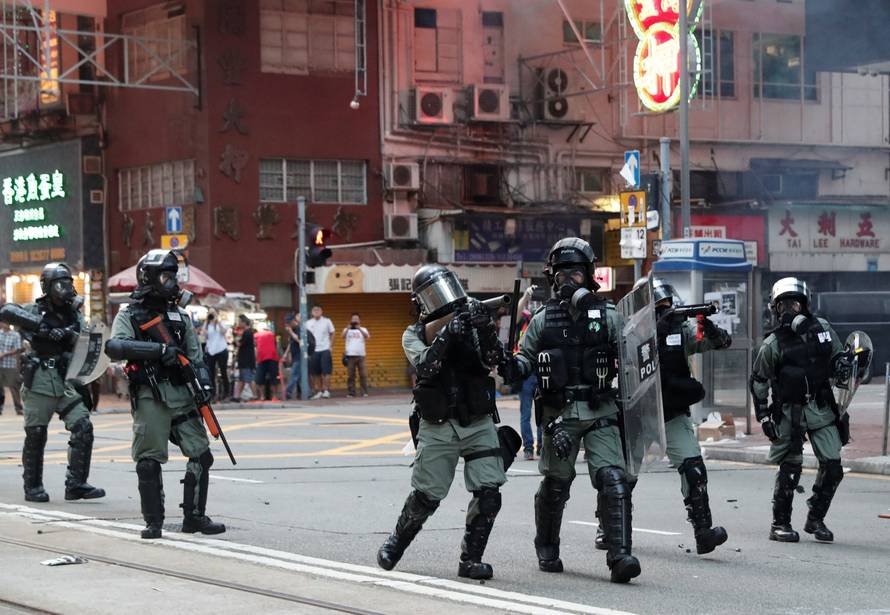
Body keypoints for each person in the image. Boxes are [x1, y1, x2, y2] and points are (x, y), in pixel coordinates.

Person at [499, 238, 639, 584]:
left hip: (600, 409)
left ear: (590, 275)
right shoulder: (543, 321)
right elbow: (524, 360)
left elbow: (634, 359)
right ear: (552, 278)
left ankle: (620, 555)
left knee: (613, 479)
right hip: (558, 417)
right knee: (556, 485)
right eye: (562, 275)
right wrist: (509, 366)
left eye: (576, 273)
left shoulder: (608, 317)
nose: (569, 281)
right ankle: (546, 543)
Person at [377, 264, 518, 580]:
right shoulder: (413, 334)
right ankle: (396, 544)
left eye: (447, 289)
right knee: (426, 496)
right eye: (433, 293)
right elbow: (425, 368)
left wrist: (482, 328)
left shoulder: (472, 322)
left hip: (478, 421)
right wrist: (446, 335)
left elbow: (495, 361)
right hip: (438, 423)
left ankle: (470, 560)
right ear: (421, 303)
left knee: (489, 491)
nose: (444, 299)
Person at [104, 249, 225, 539]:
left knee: (201, 455)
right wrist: (159, 351)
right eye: (165, 276)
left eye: (173, 276)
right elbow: (116, 347)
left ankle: (194, 517)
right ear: (148, 277)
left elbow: (196, 356)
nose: (170, 282)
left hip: (183, 393)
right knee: (148, 460)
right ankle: (153, 521)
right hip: (151, 394)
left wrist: (205, 385)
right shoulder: (130, 314)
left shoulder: (180, 315)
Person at [751, 277, 848, 543]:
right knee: (790, 468)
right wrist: (763, 415)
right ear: (775, 308)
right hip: (790, 413)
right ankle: (779, 524)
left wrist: (848, 364)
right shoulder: (773, 343)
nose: (790, 310)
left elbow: (839, 357)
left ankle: (815, 518)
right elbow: (759, 380)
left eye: (795, 303)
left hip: (820, 407)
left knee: (833, 466)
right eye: (784, 305)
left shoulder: (824, 329)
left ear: (805, 305)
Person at [0, 263, 105, 502]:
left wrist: (69, 334)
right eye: (60, 283)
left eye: (68, 283)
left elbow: (86, 341)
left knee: (83, 427)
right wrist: (43, 328)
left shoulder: (74, 314)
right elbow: (6, 311)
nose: (66, 288)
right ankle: (33, 486)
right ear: (48, 286)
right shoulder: (35, 310)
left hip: (65, 379)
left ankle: (76, 484)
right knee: (36, 434)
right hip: (39, 380)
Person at [650, 277, 732, 554]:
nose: (664, 311)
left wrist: (709, 329)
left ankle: (703, 532)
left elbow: (718, 342)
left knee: (694, 469)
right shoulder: (629, 332)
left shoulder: (680, 329)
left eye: (668, 306)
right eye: (658, 306)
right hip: (636, 416)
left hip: (672, 412)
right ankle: (609, 530)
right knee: (618, 478)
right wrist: (651, 334)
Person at [516, 285, 542, 460]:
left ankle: (541, 446)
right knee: (526, 413)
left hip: (541, 371)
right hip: (525, 372)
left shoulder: (544, 319)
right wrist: (525, 295)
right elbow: (517, 311)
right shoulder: (524, 319)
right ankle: (528, 448)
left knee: (542, 412)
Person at [282, 313, 315, 400]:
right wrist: (286, 353)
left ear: (293, 321)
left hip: (301, 356)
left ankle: (287, 392)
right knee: (300, 376)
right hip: (296, 356)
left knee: (294, 375)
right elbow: (291, 343)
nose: (287, 325)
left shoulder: (300, 329)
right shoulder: (293, 330)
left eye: (288, 323)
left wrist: (291, 332)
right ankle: (308, 393)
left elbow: (300, 341)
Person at [305, 305, 335, 399]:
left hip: (325, 349)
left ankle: (326, 390)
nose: (316, 311)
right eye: (314, 309)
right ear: (311, 312)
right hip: (314, 350)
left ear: (322, 311)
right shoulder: (308, 323)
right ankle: (318, 391)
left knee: (326, 371)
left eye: (318, 309)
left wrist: (330, 346)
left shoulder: (327, 321)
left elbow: (333, 333)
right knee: (315, 373)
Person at [204, 308, 230, 402]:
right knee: (211, 374)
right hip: (211, 351)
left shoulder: (221, 323)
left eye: (213, 314)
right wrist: (207, 320)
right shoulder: (207, 325)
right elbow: (204, 335)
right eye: (210, 314)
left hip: (221, 350)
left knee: (223, 372)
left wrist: (217, 321)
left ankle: (226, 394)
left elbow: (223, 332)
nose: (211, 316)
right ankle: (213, 394)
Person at [342, 313, 370, 397]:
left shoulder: (363, 329)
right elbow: (342, 336)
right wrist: (347, 328)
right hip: (350, 355)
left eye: (356, 319)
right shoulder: (347, 329)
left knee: (363, 374)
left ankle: (364, 392)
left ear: (359, 320)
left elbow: (367, 337)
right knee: (350, 375)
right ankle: (351, 392)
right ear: (351, 320)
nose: (355, 320)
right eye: (353, 319)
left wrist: (359, 329)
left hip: (361, 355)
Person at [0, 320, 24, 415]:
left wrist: (5, 354)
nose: (3, 324)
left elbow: (18, 350)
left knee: (13, 387)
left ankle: (18, 408)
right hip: (0, 365)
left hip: (10, 364)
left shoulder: (15, 335)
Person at [232, 314, 257, 402]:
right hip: (245, 360)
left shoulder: (247, 332)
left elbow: (240, 344)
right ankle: (237, 396)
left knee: (249, 379)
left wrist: (235, 338)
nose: (239, 323)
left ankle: (254, 395)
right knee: (242, 379)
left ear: (243, 322)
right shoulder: (248, 332)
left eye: (240, 322)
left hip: (246, 360)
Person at [254, 323, 279, 401]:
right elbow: (276, 345)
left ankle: (262, 396)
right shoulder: (272, 334)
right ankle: (274, 396)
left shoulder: (256, 335)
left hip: (261, 358)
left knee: (260, 378)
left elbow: (255, 346)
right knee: (274, 378)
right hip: (272, 358)